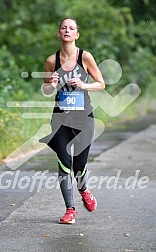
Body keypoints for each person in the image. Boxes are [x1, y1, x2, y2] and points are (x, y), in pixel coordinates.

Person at [40, 17, 105, 224]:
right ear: (59, 33)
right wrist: (51, 83)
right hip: (60, 118)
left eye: (71, 28)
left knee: (79, 165)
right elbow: (46, 90)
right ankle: (70, 209)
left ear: (77, 34)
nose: (67, 30)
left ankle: (84, 189)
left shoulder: (85, 57)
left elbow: (101, 84)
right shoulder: (52, 60)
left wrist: (83, 85)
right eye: (63, 28)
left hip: (83, 118)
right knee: (64, 162)